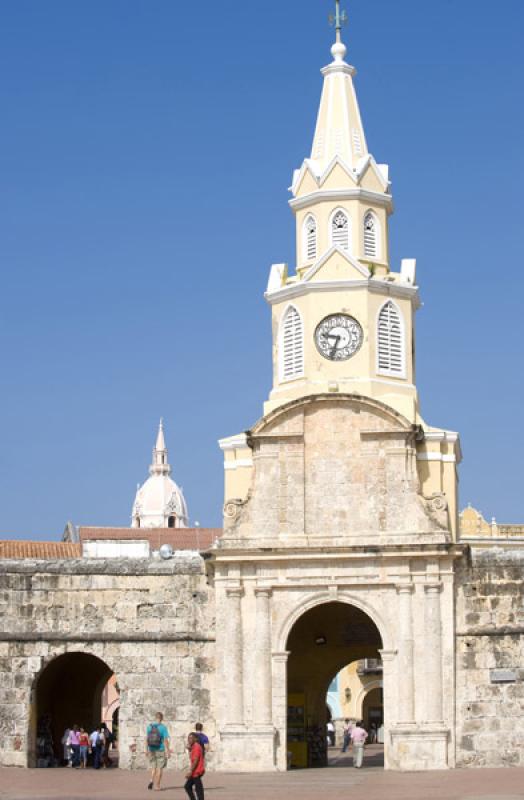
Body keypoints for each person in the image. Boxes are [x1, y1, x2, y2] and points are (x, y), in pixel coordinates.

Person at [146, 712, 171, 792]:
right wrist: (168, 751)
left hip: (151, 749)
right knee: (159, 768)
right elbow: (165, 740)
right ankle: (157, 786)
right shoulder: (163, 728)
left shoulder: (149, 727)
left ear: (155, 717)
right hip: (160, 749)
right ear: (162, 718)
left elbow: (146, 739)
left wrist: (146, 750)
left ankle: (151, 780)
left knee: (153, 767)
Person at [184, 732, 205, 800]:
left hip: (197, 771)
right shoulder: (194, 746)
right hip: (195, 771)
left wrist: (190, 771)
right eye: (188, 738)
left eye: (191, 738)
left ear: (195, 739)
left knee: (198, 789)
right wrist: (189, 749)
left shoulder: (196, 747)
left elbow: (195, 761)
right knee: (188, 786)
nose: (189, 740)